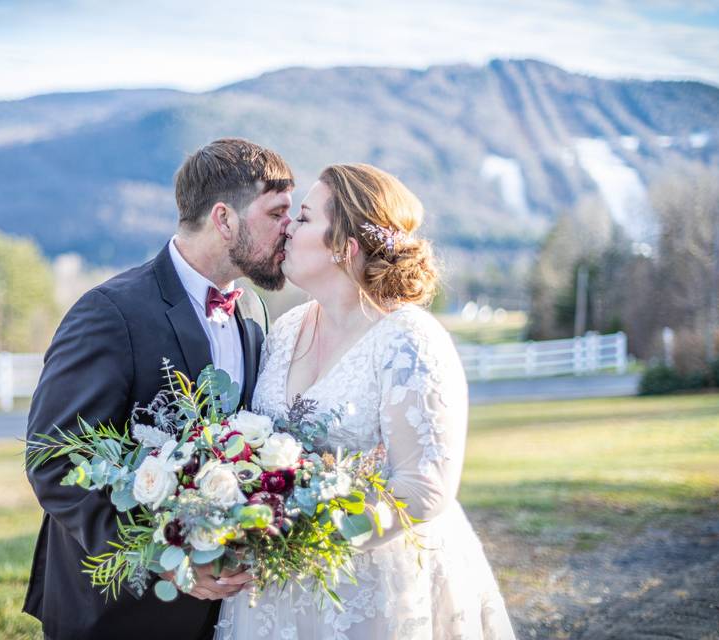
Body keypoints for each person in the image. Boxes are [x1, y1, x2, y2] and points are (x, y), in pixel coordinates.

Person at [216, 164, 516, 639]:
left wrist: (312, 538)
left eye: (307, 218)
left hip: (377, 588)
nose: (289, 227)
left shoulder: (408, 340)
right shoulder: (287, 328)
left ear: (344, 247)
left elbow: (424, 488)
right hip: (278, 589)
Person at [23, 138, 295, 640]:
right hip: (117, 613)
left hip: (226, 615)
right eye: (277, 212)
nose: (290, 228)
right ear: (224, 218)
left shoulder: (253, 312)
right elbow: (52, 459)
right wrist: (165, 559)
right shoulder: (109, 313)